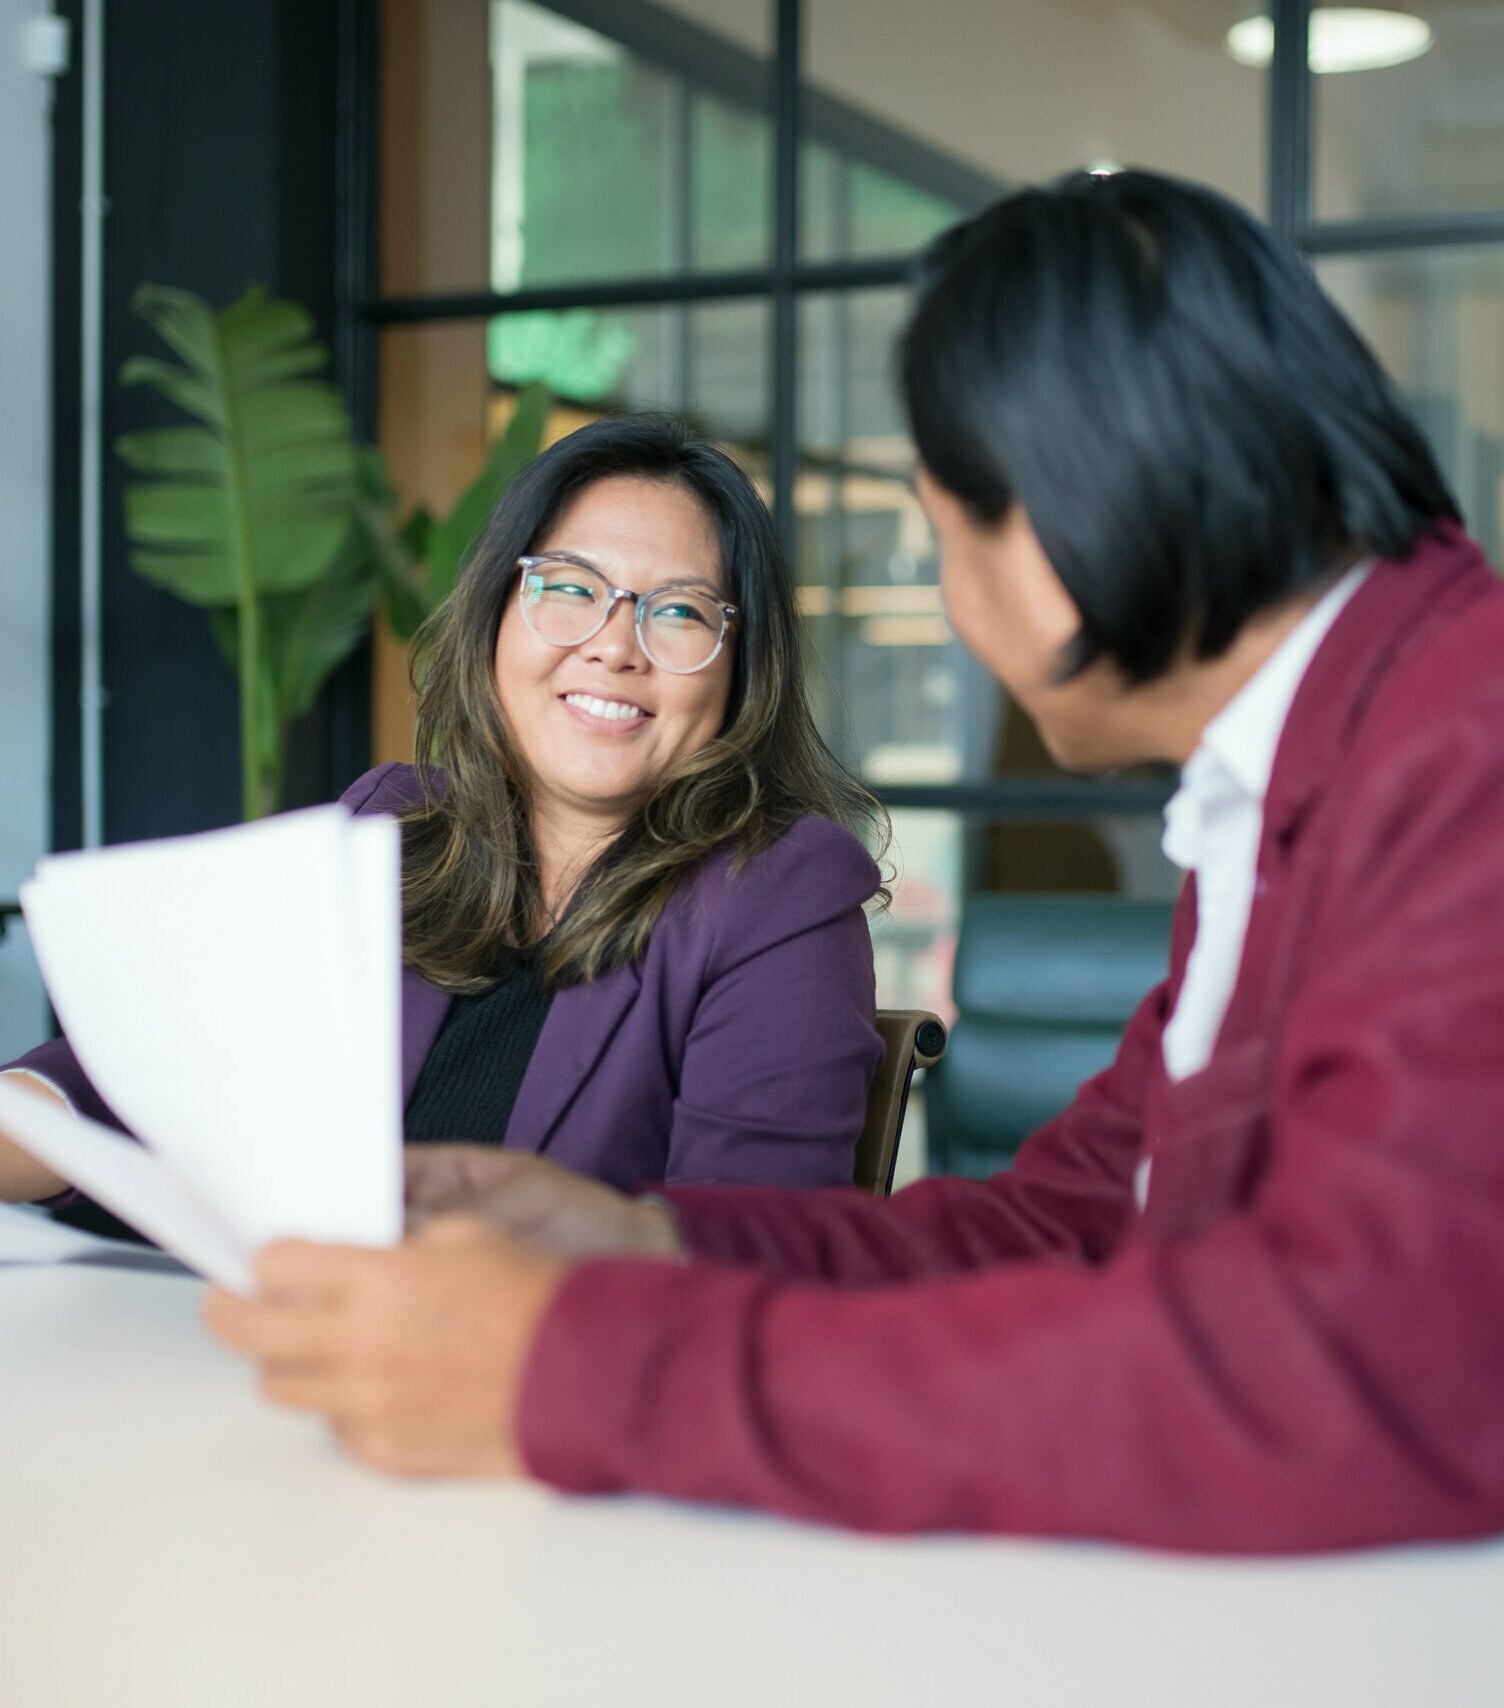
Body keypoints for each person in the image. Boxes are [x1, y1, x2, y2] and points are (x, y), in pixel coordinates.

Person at [208, 169, 1504, 1552]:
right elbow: (1065, 1224)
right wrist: (645, 1246)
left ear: (1068, 524)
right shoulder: (1299, 777)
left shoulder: (1459, 754)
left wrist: (574, 1368)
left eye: (945, 533)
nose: (951, 601)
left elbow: (1346, 1375)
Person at [0, 416, 886, 1204]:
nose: (615, 647)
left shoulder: (780, 893)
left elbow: (748, 1247)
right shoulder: (395, 827)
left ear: (742, 671)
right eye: (571, 588)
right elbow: (142, 1062)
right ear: (497, 611)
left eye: (681, 612)